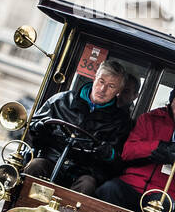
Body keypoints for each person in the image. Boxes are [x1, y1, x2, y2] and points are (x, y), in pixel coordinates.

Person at [97, 76, 175, 212]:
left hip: (162, 194)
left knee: (162, 209)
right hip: (131, 184)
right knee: (107, 189)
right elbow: (127, 151)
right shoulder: (149, 119)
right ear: (171, 100)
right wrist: (156, 147)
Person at [25, 59, 130, 194]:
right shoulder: (61, 100)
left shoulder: (119, 121)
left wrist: (108, 153)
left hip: (82, 172)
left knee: (87, 184)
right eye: (101, 81)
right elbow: (29, 131)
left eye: (111, 86)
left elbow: (120, 161)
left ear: (119, 91)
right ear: (94, 78)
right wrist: (39, 127)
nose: (102, 89)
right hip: (50, 161)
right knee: (35, 165)